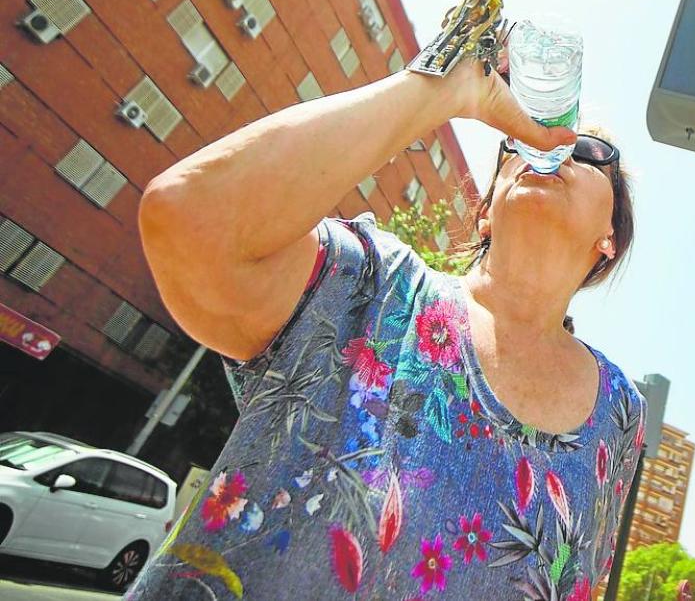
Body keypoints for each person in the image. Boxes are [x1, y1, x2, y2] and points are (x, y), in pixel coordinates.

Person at [129, 51, 645, 600]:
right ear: (487, 209)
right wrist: (444, 89)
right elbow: (189, 218)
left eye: (586, 151)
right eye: (522, 141)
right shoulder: (371, 281)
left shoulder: (620, 411)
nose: (551, 147)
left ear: (609, 236)